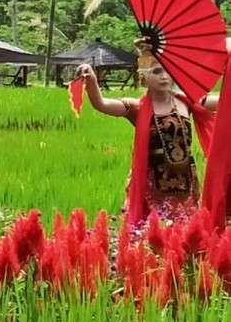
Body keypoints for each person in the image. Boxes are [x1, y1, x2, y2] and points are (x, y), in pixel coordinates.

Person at [76, 42, 217, 232]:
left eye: (168, 70)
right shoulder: (138, 107)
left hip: (185, 183)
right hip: (152, 184)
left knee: (185, 233)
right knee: (152, 232)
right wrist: (91, 79)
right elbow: (101, 104)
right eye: (157, 71)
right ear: (144, 76)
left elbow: (224, 100)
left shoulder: (187, 101)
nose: (164, 76)